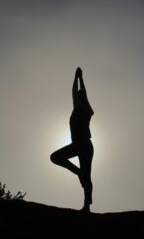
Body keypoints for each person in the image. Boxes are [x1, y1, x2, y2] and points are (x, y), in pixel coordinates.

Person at [50, 67, 94, 212]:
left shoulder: (84, 109)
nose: (76, 98)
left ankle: (87, 204)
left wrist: (78, 78)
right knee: (85, 174)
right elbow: (78, 93)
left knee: (56, 158)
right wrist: (79, 79)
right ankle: (80, 175)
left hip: (83, 144)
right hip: (83, 145)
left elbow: (78, 92)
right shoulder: (82, 109)